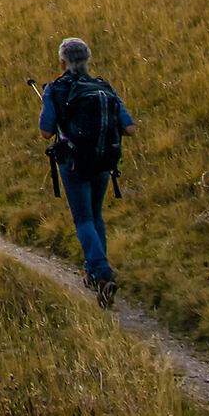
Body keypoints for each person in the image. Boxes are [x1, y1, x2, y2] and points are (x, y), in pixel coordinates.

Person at [40, 36, 134, 307]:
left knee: (83, 219)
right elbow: (129, 128)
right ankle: (93, 271)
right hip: (104, 162)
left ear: (62, 61)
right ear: (88, 59)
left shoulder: (56, 89)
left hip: (74, 163)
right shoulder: (104, 87)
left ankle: (102, 272)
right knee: (96, 217)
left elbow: (46, 131)